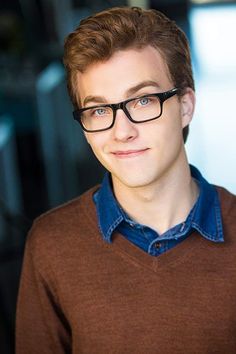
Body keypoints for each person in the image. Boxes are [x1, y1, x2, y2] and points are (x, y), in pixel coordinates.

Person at [16, 6, 236, 354]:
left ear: (185, 106)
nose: (122, 131)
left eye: (143, 100)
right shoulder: (51, 246)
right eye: (99, 110)